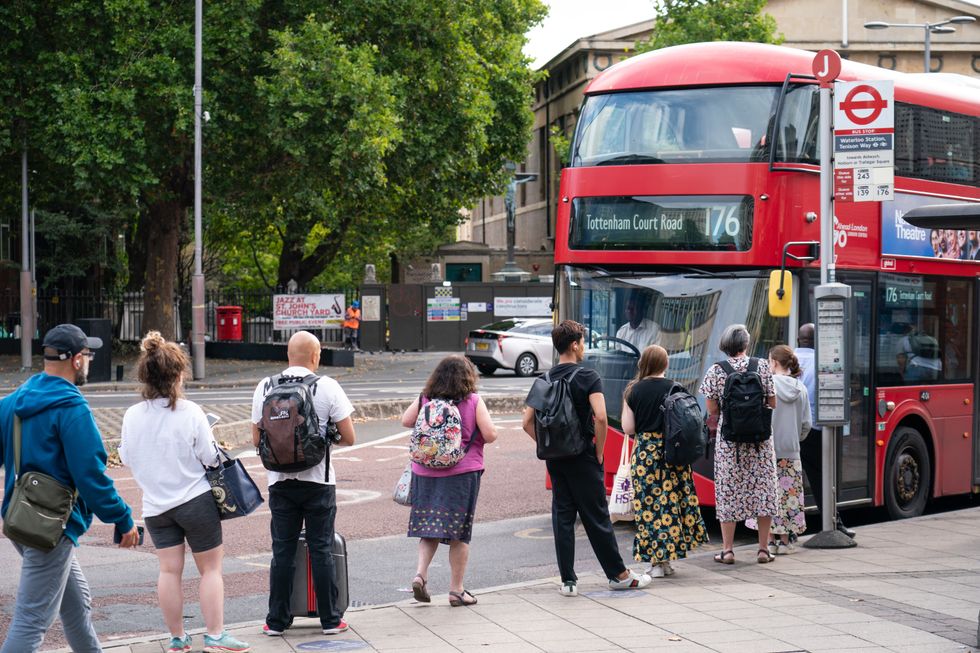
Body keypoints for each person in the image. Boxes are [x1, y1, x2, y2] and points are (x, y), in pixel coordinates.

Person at [0, 324, 139, 653]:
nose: (89, 360)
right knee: (31, 622)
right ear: (77, 360)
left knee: (76, 606)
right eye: (87, 355)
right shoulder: (73, 409)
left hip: (22, 519)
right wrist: (123, 519)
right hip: (52, 528)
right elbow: (90, 477)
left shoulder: (12, 403)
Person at [119, 332, 251, 653]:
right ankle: (215, 636)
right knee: (210, 569)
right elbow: (209, 456)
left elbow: (125, 457)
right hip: (195, 500)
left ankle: (178, 639)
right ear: (179, 375)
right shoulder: (190, 412)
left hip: (155, 507)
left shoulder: (132, 416)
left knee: (168, 571)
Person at [522, 320, 652, 596]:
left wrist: (550, 444)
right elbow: (602, 417)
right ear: (574, 345)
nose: (583, 347)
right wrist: (599, 451)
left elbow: (526, 422)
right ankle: (619, 575)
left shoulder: (543, 379)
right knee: (596, 516)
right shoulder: (587, 376)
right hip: (583, 455)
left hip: (556, 458)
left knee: (563, 516)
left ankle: (568, 581)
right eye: (582, 342)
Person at [251, 331, 356, 637]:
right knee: (320, 548)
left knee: (282, 551)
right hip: (318, 481)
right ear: (316, 356)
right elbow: (350, 437)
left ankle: (276, 621)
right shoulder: (327, 386)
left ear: (288, 354)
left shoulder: (265, 386)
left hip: (279, 482)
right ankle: (330, 619)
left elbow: (256, 438)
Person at [399, 356, 498, 607]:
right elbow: (490, 434)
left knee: (429, 527)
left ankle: (420, 574)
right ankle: (456, 590)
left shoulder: (425, 399)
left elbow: (406, 421)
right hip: (462, 474)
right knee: (459, 534)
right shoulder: (473, 400)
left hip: (424, 473)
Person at [621, 345, 708, 578]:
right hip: (673, 452)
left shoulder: (633, 390)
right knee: (671, 505)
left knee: (650, 507)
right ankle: (666, 561)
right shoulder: (675, 388)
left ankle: (656, 563)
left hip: (646, 454)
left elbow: (628, 428)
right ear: (666, 364)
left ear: (643, 364)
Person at [699, 324, 778, 565]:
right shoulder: (762, 366)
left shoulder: (716, 371)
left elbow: (712, 410)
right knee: (763, 492)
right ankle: (764, 549)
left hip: (729, 443)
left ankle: (728, 550)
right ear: (745, 344)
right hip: (760, 443)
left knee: (728, 492)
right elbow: (772, 402)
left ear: (725, 346)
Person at [747, 345, 810, 556]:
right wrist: (795, 440)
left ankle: (769, 541)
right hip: (791, 451)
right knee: (788, 496)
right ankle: (785, 541)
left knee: (768, 496)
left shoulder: (767, 385)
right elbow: (806, 424)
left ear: (774, 362)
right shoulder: (801, 388)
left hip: (767, 449)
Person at [796, 323, 855, 539]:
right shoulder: (822, 363)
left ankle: (785, 530)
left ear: (798, 339)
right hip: (814, 428)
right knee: (821, 478)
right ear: (818, 340)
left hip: (787, 430)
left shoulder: (785, 359)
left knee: (787, 478)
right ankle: (832, 523)